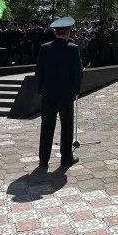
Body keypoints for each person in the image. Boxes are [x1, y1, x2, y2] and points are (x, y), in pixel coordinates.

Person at [36, 16, 83, 169]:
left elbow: (39, 72)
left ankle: (43, 159)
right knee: (66, 126)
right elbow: (78, 72)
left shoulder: (44, 47)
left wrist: (41, 90)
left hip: (48, 93)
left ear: (55, 32)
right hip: (66, 94)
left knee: (47, 126)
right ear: (68, 32)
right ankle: (66, 158)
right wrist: (76, 90)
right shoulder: (73, 48)